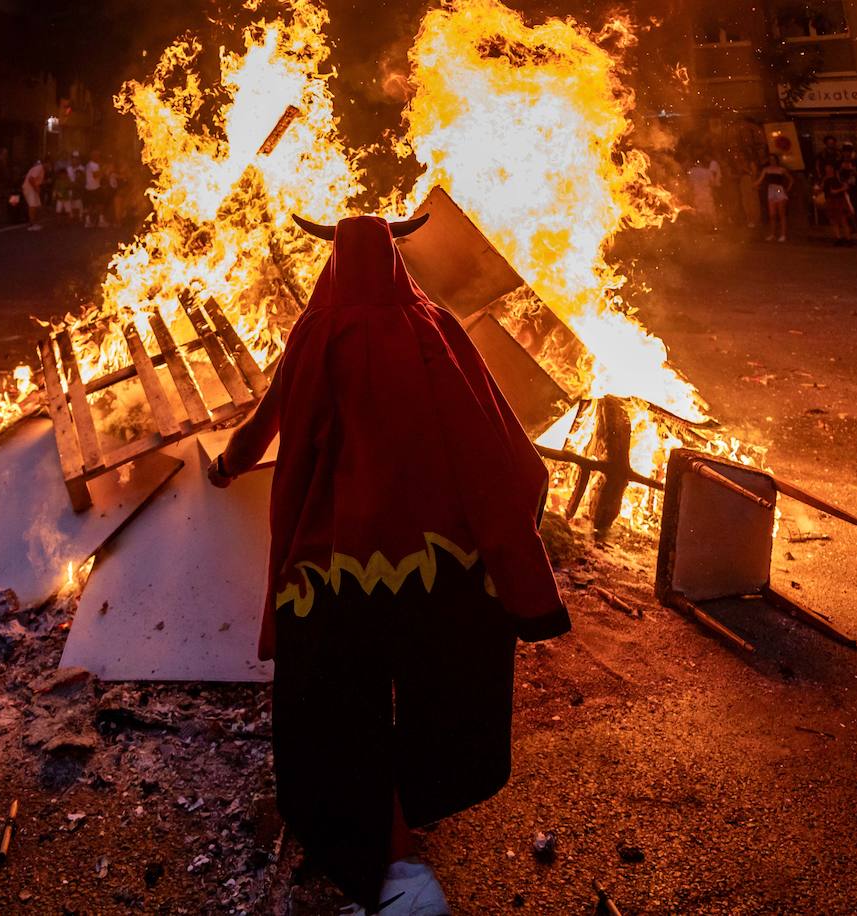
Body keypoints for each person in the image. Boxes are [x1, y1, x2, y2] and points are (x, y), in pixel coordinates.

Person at [209, 214, 569, 915]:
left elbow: (269, 425)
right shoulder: (434, 325)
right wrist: (509, 522)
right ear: (396, 261)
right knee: (431, 690)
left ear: (335, 265)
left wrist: (225, 468)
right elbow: (488, 425)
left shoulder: (317, 333)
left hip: (337, 567)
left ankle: (393, 865)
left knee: (340, 709)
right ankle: (407, 820)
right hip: (436, 562)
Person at [755, 153, 792, 241]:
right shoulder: (766, 169)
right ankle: (772, 234)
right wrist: (754, 184)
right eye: (770, 159)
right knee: (772, 215)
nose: (772, 161)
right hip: (771, 191)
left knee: (781, 214)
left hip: (779, 191)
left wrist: (787, 190)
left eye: (773, 159)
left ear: (776, 160)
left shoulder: (781, 169)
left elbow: (791, 180)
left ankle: (783, 235)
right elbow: (760, 180)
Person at [821, 162, 852, 245]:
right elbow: (824, 188)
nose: (827, 169)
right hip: (830, 200)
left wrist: (837, 191)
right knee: (833, 220)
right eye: (826, 168)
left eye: (829, 167)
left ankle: (848, 239)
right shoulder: (825, 178)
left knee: (843, 220)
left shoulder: (837, 177)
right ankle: (838, 238)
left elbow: (846, 186)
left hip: (839, 200)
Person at [685, 155, 719, 230]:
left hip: (697, 194)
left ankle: (703, 227)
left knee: (700, 211)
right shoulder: (708, 172)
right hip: (707, 193)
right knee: (710, 211)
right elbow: (712, 183)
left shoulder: (692, 171)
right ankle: (712, 228)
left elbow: (689, 184)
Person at [22, 157, 45, 229]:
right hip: (30, 188)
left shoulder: (40, 169)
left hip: (32, 188)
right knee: (32, 205)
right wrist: (36, 188)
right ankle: (32, 224)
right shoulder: (39, 168)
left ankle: (34, 222)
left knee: (36, 205)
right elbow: (31, 179)